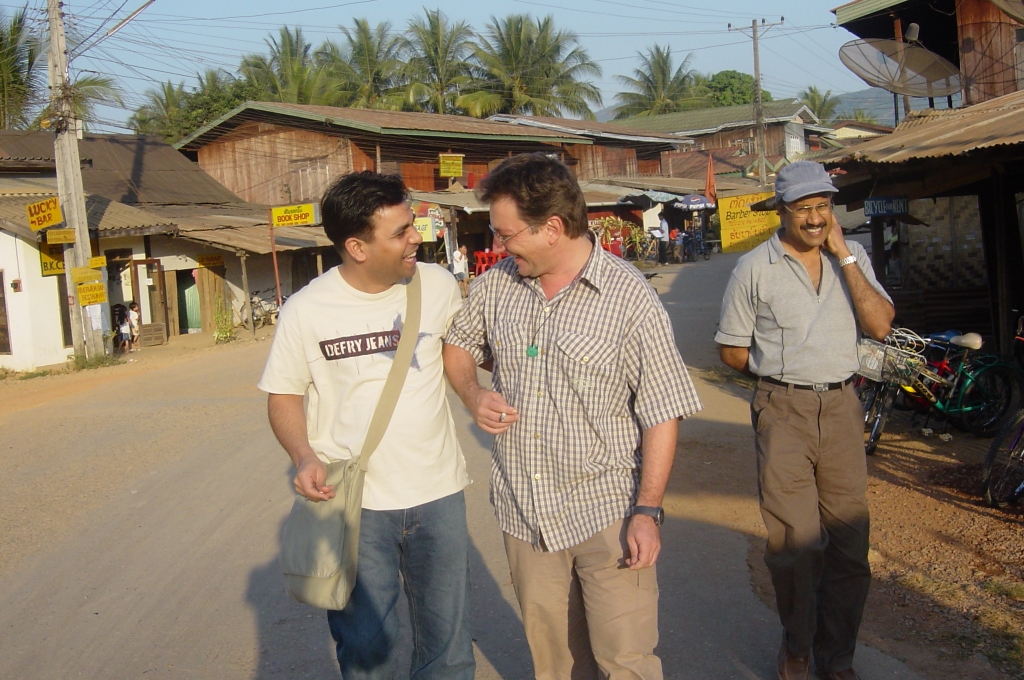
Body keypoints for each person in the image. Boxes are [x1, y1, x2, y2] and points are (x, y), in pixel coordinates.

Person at [443, 153, 702, 680]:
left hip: (605, 511)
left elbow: (662, 411)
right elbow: (458, 344)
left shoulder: (629, 298)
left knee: (626, 663)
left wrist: (647, 513)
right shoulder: (498, 287)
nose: (498, 246)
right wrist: (472, 394)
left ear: (553, 228)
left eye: (507, 234)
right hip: (525, 514)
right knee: (555, 665)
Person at [258, 171, 475, 680]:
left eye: (411, 224)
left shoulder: (438, 286)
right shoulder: (307, 310)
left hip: (438, 492)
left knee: (448, 648)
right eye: (400, 232)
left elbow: (458, 359)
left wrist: (476, 393)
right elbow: (283, 395)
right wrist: (304, 456)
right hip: (355, 507)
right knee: (366, 650)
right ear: (356, 246)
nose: (415, 238)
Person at [715, 161, 895, 680]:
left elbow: (881, 324)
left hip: (842, 409)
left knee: (848, 546)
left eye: (823, 206)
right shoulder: (754, 268)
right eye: (804, 208)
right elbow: (730, 350)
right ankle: (796, 645)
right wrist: (779, 375)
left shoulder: (852, 256)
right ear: (783, 211)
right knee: (795, 545)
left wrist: (845, 257)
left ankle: (837, 658)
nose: (816, 218)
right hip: (783, 409)